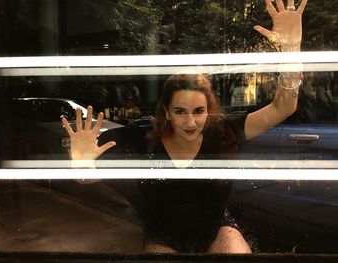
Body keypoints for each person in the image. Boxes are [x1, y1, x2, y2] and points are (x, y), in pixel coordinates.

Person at [62, 0, 308, 253]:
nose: (191, 123)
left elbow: (283, 107)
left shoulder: (224, 132)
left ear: (208, 111)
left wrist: (291, 50)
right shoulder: (142, 141)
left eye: (199, 111)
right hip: (164, 238)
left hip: (218, 231)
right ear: (166, 112)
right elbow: (86, 179)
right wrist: (81, 162)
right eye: (180, 112)